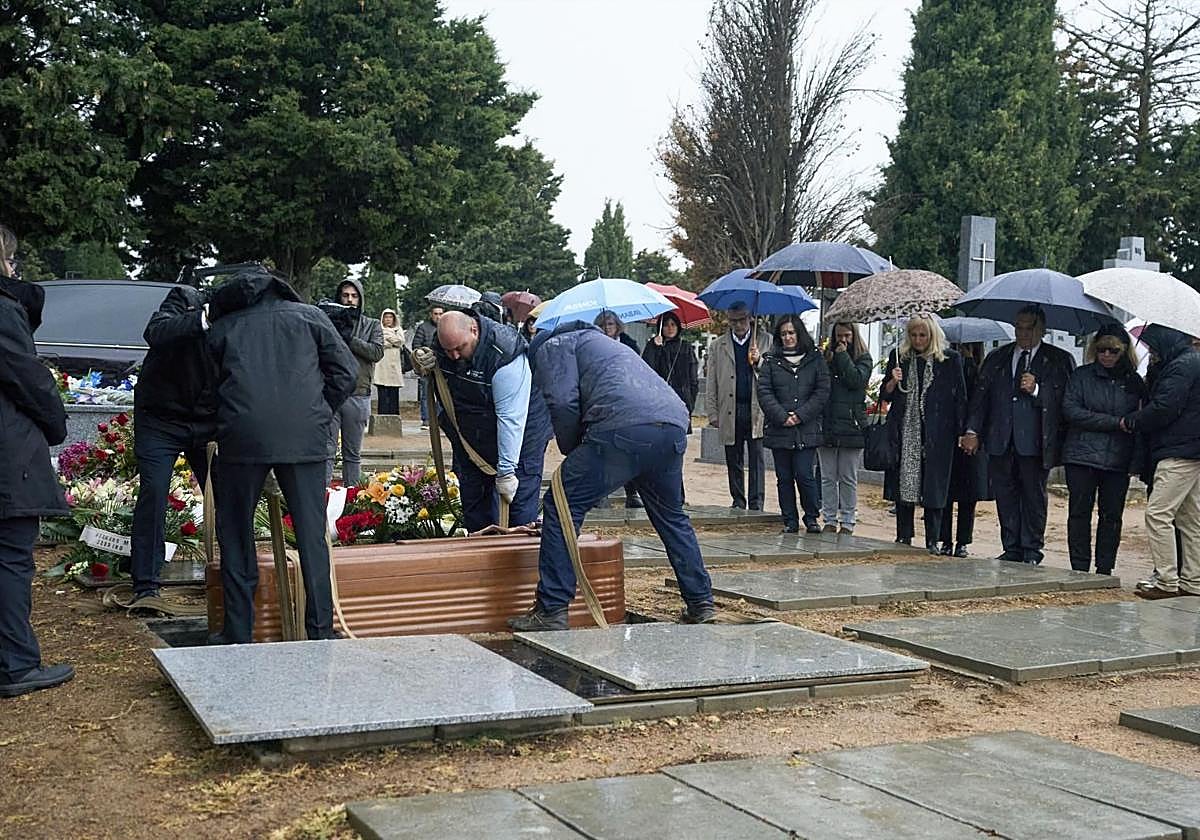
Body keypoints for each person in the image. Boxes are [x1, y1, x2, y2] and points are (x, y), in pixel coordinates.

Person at [509, 320, 715, 630]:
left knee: (561, 502)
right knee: (671, 516)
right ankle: (701, 602)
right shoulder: (604, 344)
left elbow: (563, 402)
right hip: (671, 424)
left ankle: (551, 608)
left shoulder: (550, 346)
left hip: (623, 427)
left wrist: (571, 447)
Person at [206, 267, 357, 643]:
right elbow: (345, 372)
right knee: (311, 536)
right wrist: (320, 411)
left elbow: (207, 386)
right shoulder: (311, 317)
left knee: (236, 534)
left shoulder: (226, 327)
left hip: (242, 438)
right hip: (304, 435)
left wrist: (227, 418)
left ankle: (238, 630)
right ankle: (320, 630)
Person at [0, 224, 74, 697]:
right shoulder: (5, 312)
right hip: (8, 453)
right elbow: (30, 381)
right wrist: (56, 422)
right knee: (10, 558)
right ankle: (16, 665)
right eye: (10, 260)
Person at [414, 309, 552, 532]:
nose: (454, 356)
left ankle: (519, 562)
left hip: (523, 433)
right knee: (475, 505)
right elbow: (439, 371)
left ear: (474, 330)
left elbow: (510, 418)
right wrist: (424, 363)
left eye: (459, 348)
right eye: (448, 351)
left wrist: (506, 471)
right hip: (472, 435)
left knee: (518, 508)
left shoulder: (505, 355)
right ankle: (482, 560)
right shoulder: (444, 345)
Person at [129, 282, 219, 606]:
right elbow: (155, 331)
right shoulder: (186, 299)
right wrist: (202, 320)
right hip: (161, 419)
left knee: (228, 494)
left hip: (206, 421)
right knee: (153, 492)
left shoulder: (245, 321)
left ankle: (229, 574)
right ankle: (145, 585)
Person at [962, 305, 1074, 564]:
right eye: (1019, 327)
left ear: (1042, 329)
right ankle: (1011, 546)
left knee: (1033, 495)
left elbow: (1065, 400)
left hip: (1035, 440)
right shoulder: (998, 357)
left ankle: (1032, 548)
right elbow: (981, 397)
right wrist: (972, 430)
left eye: (1029, 327)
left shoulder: (1058, 359)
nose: (1023, 333)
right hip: (1001, 437)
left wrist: (1037, 390)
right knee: (1005, 493)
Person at [1122, 324, 1200, 599]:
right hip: (1191, 450)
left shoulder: (1181, 366)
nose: (1151, 352)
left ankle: (1166, 579)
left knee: (1158, 514)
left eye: (1153, 347)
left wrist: (1132, 421)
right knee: (1190, 519)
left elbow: (1165, 407)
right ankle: (1192, 579)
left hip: (1177, 450)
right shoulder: (1188, 361)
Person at [1061, 325, 1146, 575]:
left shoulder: (1134, 382)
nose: (1107, 355)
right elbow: (1071, 411)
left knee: (1112, 516)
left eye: (1113, 351)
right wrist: (1115, 423)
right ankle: (1079, 566)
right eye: (1102, 350)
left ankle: (1105, 566)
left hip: (1118, 457)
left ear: (1123, 352)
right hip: (1082, 455)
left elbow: (1139, 418)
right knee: (1079, 513)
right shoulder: (1081, 376)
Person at [882, 315, 967, 554]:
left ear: (932, 335)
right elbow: (885, 396)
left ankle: (934, 538)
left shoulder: (949, 359)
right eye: (914, 335)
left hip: (939, 431)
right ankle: (904, 534)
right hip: (906, 429)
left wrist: (962, 431)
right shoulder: (900, 358)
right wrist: (892, 381)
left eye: (923, 335)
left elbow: (960, 396)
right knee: (905, 481)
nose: (918, 340)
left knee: (935, 484)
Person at [757, 316, 830, 534]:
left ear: (799, 333)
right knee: (784, 477)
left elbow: (822, 391)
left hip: (806, 428)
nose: (788, 337)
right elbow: (765, 391)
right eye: (784, 334)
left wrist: (800, 415)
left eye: (791, 333)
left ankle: (812, 516)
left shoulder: (815, 359)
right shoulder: (771, 360)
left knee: (805, 474)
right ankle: (789, 519)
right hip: (780, 428)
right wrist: (782, 416)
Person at [706, 303, 772, 510]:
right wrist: (712, 412)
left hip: (756, 409)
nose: (738, 325)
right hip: (729, 408)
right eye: (733, 321)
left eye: (742, 320)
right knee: (733, 457)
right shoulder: (718, 346)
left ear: (750, 318)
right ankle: (737, 499)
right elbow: (711, 381)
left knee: (756, 457)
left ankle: (756, 501)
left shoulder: (765, 341)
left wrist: (758, 361)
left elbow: (773, 374)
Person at [325, 278, 383, 487]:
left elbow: (376, 352)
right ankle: (321, 500)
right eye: (345, 295)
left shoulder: (372, 324)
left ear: (360, 299)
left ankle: (352, 499)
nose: (349, 300)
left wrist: (350, 339)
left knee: (352, 453)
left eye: (354, 296)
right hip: (331, 395)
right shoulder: (327, 322)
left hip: (358, 394)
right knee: (327, 451)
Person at [818, 321, 871, 534]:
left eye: (847, 336)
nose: (843, 340)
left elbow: (856, 380)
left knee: (848, 476)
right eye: (839, 336)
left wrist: (842, 356)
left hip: (852, 424)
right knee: (828, 476)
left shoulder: (863, 358)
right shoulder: (826, 358)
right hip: (829, 423)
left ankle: (848, 519)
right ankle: (829, 518)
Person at [938, 342, 990, 556]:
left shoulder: (980, 368)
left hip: (973, 437)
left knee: (968, 496)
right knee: (947, 493)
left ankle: (962, 541)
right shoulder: (948, 364)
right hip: (949, 435)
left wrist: (968, 363)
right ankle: (946, 539)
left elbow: (978, 397)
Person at [595, 310, 644, 509]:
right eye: (604, 325)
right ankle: (602, 494)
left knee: (629, 449)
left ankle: (632, 493)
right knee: (604, 449)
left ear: (618, 326)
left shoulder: (630, 345)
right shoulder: (594, 345)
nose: (607, 328)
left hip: (627, 401)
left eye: (611, 324)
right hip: (602, 401)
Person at [410, 305, 444, 430]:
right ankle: (426, 420)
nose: (438, 316)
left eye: (440, 313)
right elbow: (416, 345)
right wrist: (425, 354)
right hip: (427, 367)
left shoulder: (446, 327)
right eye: (436, 313)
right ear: (431, 314)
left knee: (442, 395)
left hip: (442, 368)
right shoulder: (423, 328)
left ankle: (441, 420)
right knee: (426, 394)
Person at [374, 308, 406, 416]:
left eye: (390, 317)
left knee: (394, 392)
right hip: (382, 364)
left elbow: (400, 341)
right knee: (382, 392)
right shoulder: (378, 329)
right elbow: (380, 342)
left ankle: (394, 416)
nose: (388, 319)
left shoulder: (398, 329)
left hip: (394, 365)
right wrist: (391, 342)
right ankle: (382, 416)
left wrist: (388, 337)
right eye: (386, 317)